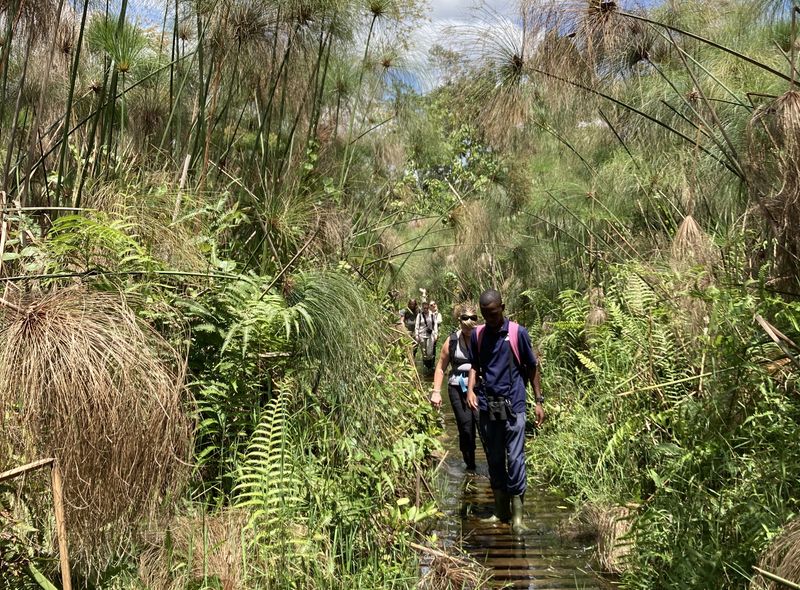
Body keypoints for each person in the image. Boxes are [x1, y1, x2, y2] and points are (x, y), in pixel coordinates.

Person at [467, 289, 544, 535]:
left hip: (514, 406)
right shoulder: (478, 335)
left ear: (502, 307)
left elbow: (532, 367)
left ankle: (518, 519)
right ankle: (500, 511)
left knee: (516, 459)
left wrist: (538, 401)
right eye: (485, 314)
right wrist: (470, 390)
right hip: (488, 406)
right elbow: (475, 366)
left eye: (493, 313)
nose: (490, 318)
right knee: (495, 458)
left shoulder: (517, 333)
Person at [429, 304, 479, 472]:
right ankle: (470, 466)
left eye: (472, 327)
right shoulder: (452, 341)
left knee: (484, 426)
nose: (469, 330)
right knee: (466, 427)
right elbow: (440, 367)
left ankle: (495, 469)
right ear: (460, 323)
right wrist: (436, 392)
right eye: (465, 327)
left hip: (480, 388)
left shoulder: (483, 338)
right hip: (458, 388)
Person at [415, 300, 439, 371]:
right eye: (424, 308)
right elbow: (417, 326)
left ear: (428, 307)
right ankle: (425, 366)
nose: (425, 309)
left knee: (430, 352)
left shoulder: (432, 315)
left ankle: (430, 366)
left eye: (426, 308)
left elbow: (435, 325)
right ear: (422, 308)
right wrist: (416, 335)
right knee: (424, 352)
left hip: (430, 335)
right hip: (421, 335)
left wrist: (436, 334)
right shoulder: (419, 316)